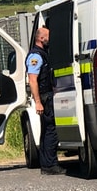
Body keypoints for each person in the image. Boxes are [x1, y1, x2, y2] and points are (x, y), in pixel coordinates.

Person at [26, 27, 65, 175]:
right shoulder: (36, 56)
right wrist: (38, 102)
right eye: (48, 36)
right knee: (50, 131)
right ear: (41, 38)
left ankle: (46, 164)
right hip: (45, 97)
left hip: (46, 95)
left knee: (46, 130)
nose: (50, 39)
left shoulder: (42, 54)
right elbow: (33, 80)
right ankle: (50, 166)